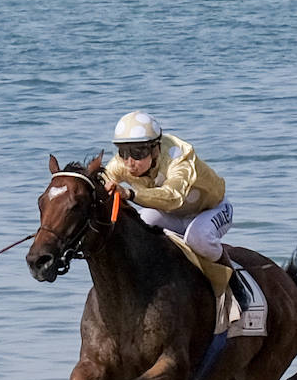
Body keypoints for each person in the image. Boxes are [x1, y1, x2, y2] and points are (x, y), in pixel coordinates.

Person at [101, 110, 236, 274]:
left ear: (155, 149)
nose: (129, 163)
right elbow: (100, 183)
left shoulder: (179, 157)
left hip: (211, 210)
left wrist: (130, 194)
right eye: (123, 152)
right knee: (138, 226)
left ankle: (234, 281)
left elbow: (173, 196)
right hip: (171, 215)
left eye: (137, 153)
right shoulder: (121, 163)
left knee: (198, 238)